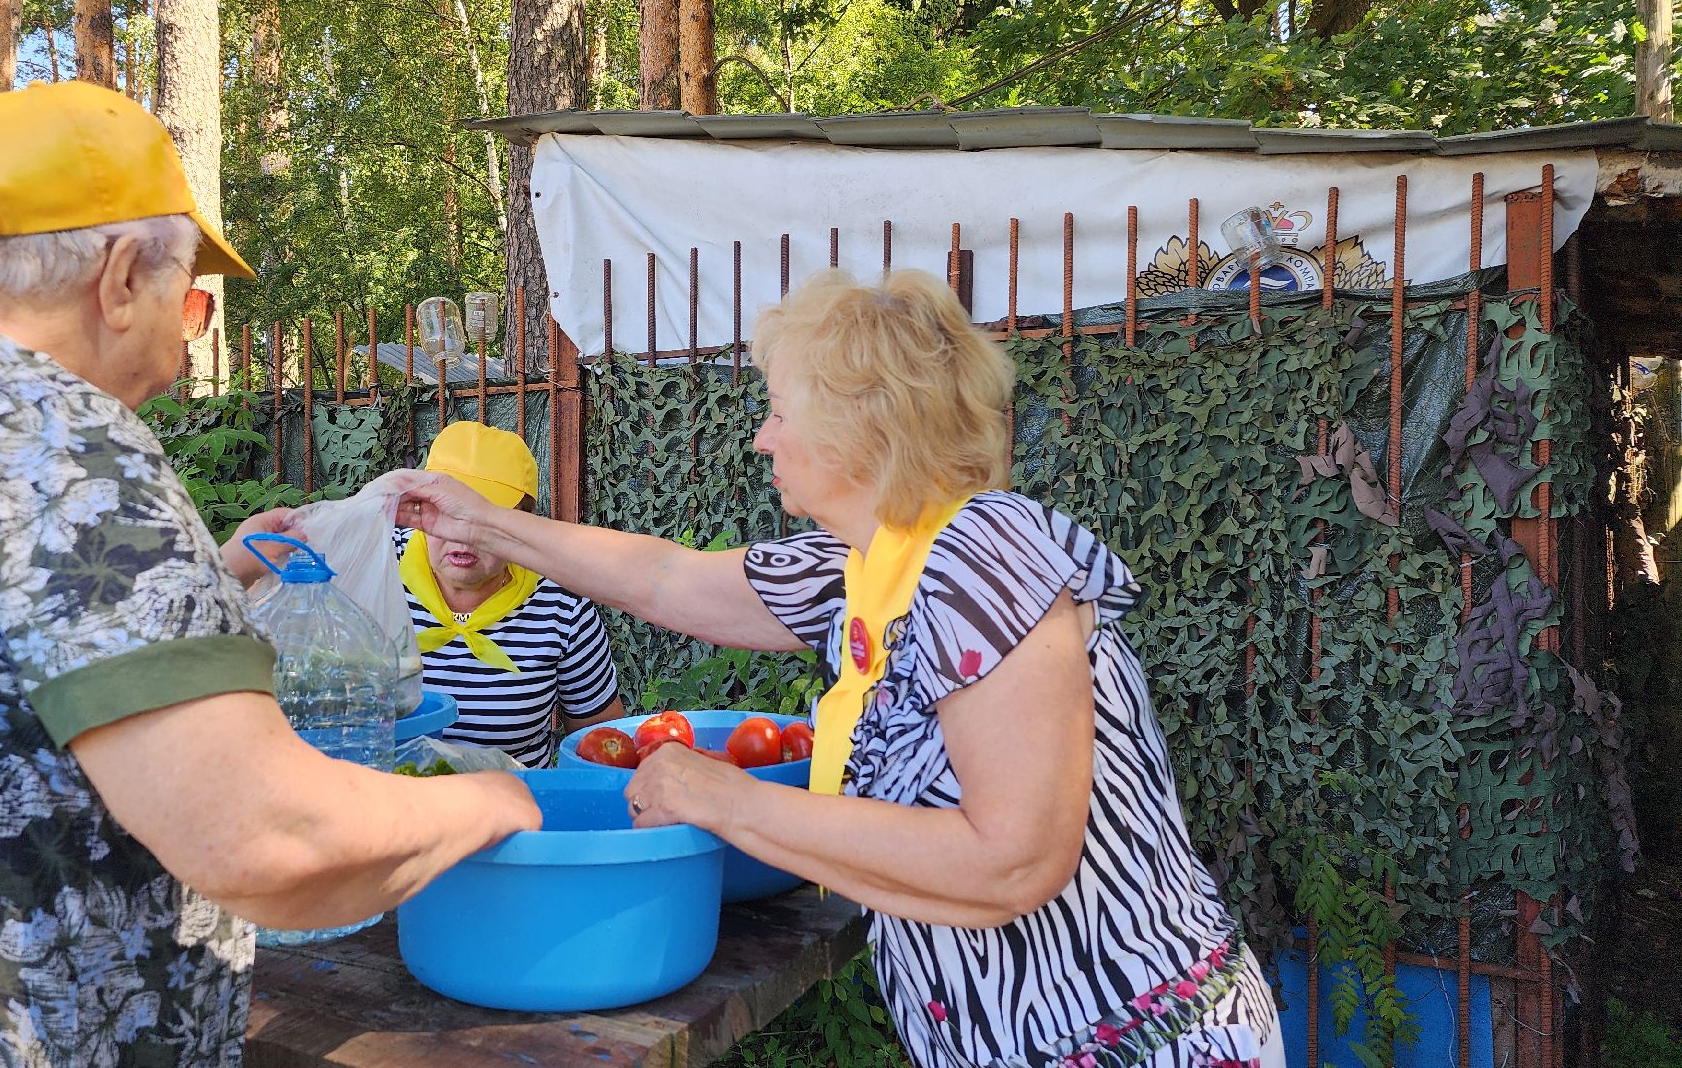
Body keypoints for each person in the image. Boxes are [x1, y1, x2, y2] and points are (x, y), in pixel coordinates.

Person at [0, 81, 537, 1066]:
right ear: (124, 274)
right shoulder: (54, 434)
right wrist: (486, 801)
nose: (191, 337)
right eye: (195, 301)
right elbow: (262, 841)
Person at [386, 269, 1283, 1068]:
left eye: (779, 410)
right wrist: (480, 522)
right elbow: (667, 578)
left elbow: (1013, 863)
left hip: (1133, 1042)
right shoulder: (869, 564)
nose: (762, 440)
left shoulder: (986, 554)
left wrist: (724, 800)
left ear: (862, 422)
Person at [388, 421, 622, 767]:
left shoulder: (562, 603)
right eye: (446, 512)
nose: (462, 536)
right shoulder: (378, 569)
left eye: (484, 520)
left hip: (515, 809)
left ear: (521, 523)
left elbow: (602, 743)